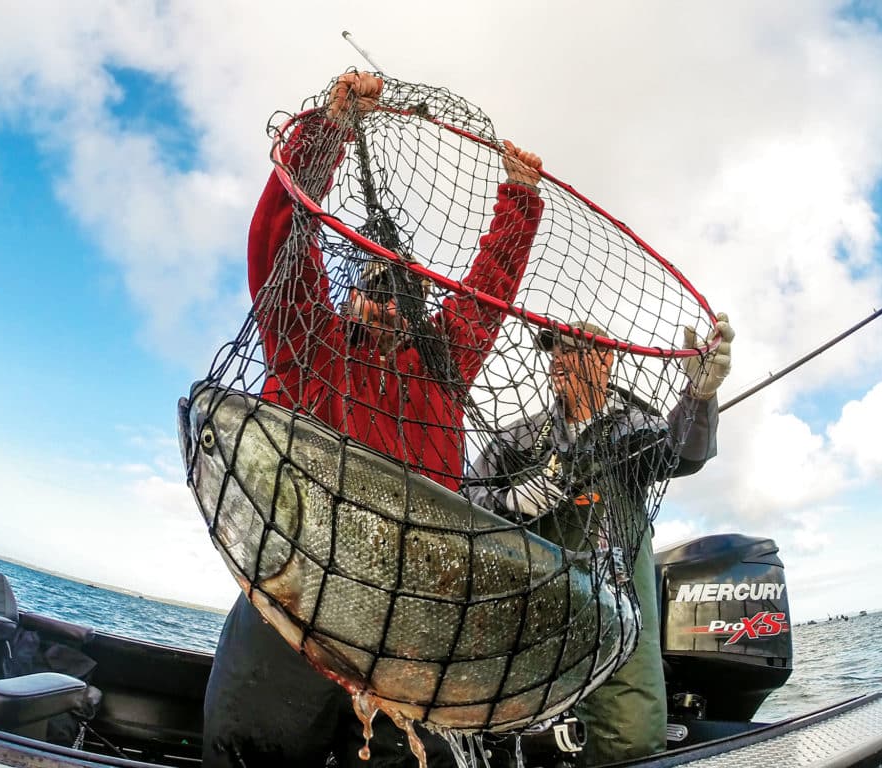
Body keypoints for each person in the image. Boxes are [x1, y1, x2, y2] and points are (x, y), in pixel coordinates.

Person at [204, 71, 545, 768]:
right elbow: (281, 245)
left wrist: (521, 198)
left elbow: (488, 292)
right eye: (371, 290)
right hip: (288, 620)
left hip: (409, 637)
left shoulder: (444, 365)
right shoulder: (311, 347)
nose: (384, 305)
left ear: (418, 307)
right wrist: (327, 132)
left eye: (401, 295)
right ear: (352, 295)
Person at [463, 315, 734, 766]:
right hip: (540, 640)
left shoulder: (634, 428)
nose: (558, 361)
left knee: (630, 746)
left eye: (573, 350)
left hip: (624, 642)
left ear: (605, 358)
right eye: (554, 351)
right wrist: (510, 499)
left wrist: (699, 395)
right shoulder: (517, 440)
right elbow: (466, 499)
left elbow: (684, 453)